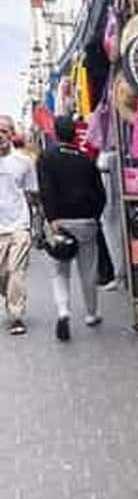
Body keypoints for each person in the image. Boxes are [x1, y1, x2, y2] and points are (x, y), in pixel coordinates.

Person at [37, 115, 107, 341]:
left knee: (59, 271)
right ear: (75, 133)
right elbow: (100, 193)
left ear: (55, 133)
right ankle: (91, 313)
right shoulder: (86, 160)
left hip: (60, 222)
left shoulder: (46, 158)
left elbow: (45, 189)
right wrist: (94, 216)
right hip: (86, 220)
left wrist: (52, 217)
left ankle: (63, 311)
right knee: (88, 269)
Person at [0, 114, 39, 335]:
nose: (0, 135)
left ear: (11, 134)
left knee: (16, 271)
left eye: (4, 131)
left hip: (19, 226)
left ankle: (16, 316)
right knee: (3, 274)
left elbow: (32, 193)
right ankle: (10, 295)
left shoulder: (23, 162)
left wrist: (43, 221)